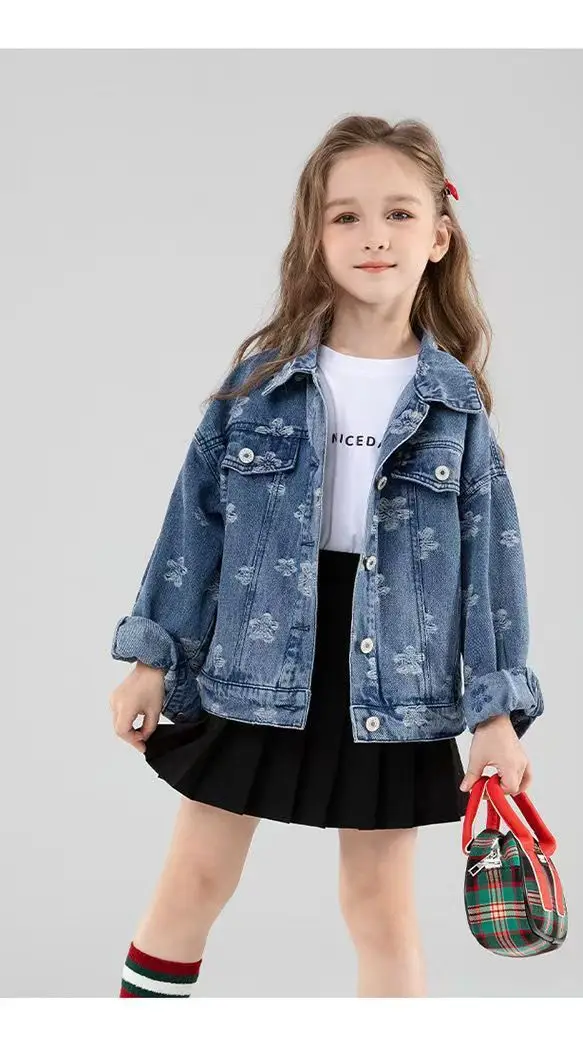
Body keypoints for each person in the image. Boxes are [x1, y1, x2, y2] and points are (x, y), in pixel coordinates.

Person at [109, 114, 546, 998]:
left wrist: (495, 716)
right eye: (346, 216)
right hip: (257, 660)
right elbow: (194, 527)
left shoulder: (457, 407)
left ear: (438, 236)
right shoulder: (259, 385)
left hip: (394, 679)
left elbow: (492, 569)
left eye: (398, 213)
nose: (373, 235)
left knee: (379, 909)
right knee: (193, 882)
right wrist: (153, 657)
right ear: (315, 236)